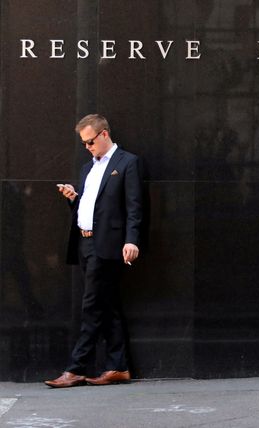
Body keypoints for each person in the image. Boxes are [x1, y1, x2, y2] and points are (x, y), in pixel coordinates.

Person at [45, 114, 143, 388]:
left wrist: (131, 240)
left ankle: (76, 368)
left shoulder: (128, 163)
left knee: (91, 307)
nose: (87, 147)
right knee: (107, 305)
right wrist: (74, 199)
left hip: (107, 246)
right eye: (84, 143)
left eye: (90, 141)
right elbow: (92, 207)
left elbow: (134, 207)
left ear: (103, 135)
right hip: (85, 243)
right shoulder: (88, 168)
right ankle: (118, 367)